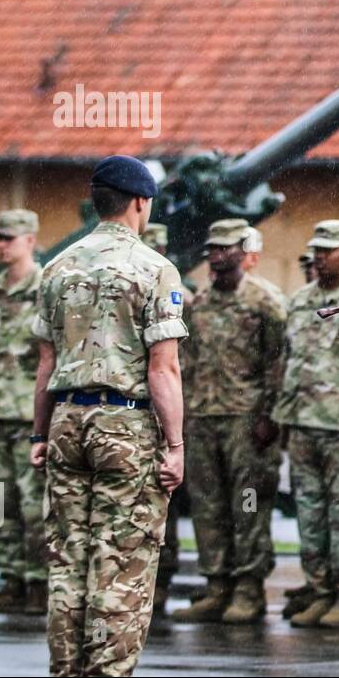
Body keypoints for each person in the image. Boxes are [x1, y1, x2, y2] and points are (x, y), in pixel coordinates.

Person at [28, 155, 187, 676]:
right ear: (141, 203)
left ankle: (66, 671)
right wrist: (175, 445)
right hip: (126, 424)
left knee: (68, 564)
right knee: (121, 565)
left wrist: (38, 433)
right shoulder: (154, 269)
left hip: (67, 421)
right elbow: (164, 370)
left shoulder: (57, 266)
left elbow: (46, 362)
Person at [173, 218, 287, 624]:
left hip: (246, 420)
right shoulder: (198, 302)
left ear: (244, 251)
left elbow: (278, 363)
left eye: (226, 248)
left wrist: (269, 416)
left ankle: (248, 589)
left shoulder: (264, 302)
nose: (217, 255)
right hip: (203, 418)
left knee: (248, 505)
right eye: (213, 249)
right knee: (208, 506)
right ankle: (216, 585)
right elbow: (187, 361)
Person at [272, 220, 339, 628]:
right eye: (317, 249)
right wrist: (282, 418)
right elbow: (287, 361)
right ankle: (321, 589)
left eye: (329, 249)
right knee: (308, 514)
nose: (321, 257)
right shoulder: (300, 301)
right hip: (302, 423)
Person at [0, 209, 47, 615]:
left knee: (34, 503)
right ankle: (12, 580)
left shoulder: (45, 288)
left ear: (30, 241)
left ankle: (40, 583)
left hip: (27, 414)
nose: (2, 245)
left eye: (10, 238)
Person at [139, 221, 191, 615]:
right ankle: (145, 585)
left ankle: (160, 579)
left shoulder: (177, 294)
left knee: (163, 506)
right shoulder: (153, 285)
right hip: (145, 415)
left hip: (171, 411)